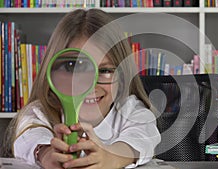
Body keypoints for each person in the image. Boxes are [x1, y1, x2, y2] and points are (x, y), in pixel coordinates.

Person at [1, 8, 161, 169]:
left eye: (105, 71)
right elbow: (30, 137)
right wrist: (48, 154)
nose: (89, 84)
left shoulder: (132, 111)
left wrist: (110, 158)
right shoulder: (39, 112)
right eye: (73, 67)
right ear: (52, 72)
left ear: (123, 76)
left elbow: (143, 137)